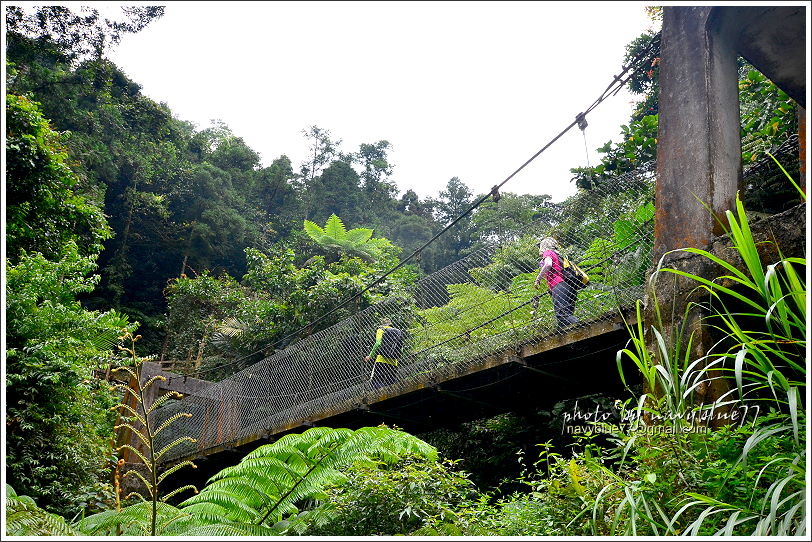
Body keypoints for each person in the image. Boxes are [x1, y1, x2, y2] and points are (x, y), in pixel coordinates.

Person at [534, 236, 579, 328]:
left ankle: (582, 327)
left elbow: (548, 264)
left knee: (562, 316)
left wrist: (538, 279)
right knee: (566, 316)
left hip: (559, 284)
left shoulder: (548, 252)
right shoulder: (557, 255)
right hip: (569, 286)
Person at [364, 318, 403, 389]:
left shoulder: (380, 330)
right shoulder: (398, 331)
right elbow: (400, 347)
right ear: (390, 324)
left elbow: (378, 343)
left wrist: (370, 356)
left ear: (382, 324)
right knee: (391, 383)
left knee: (377, 382)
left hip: (381, 360)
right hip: (394, 361)